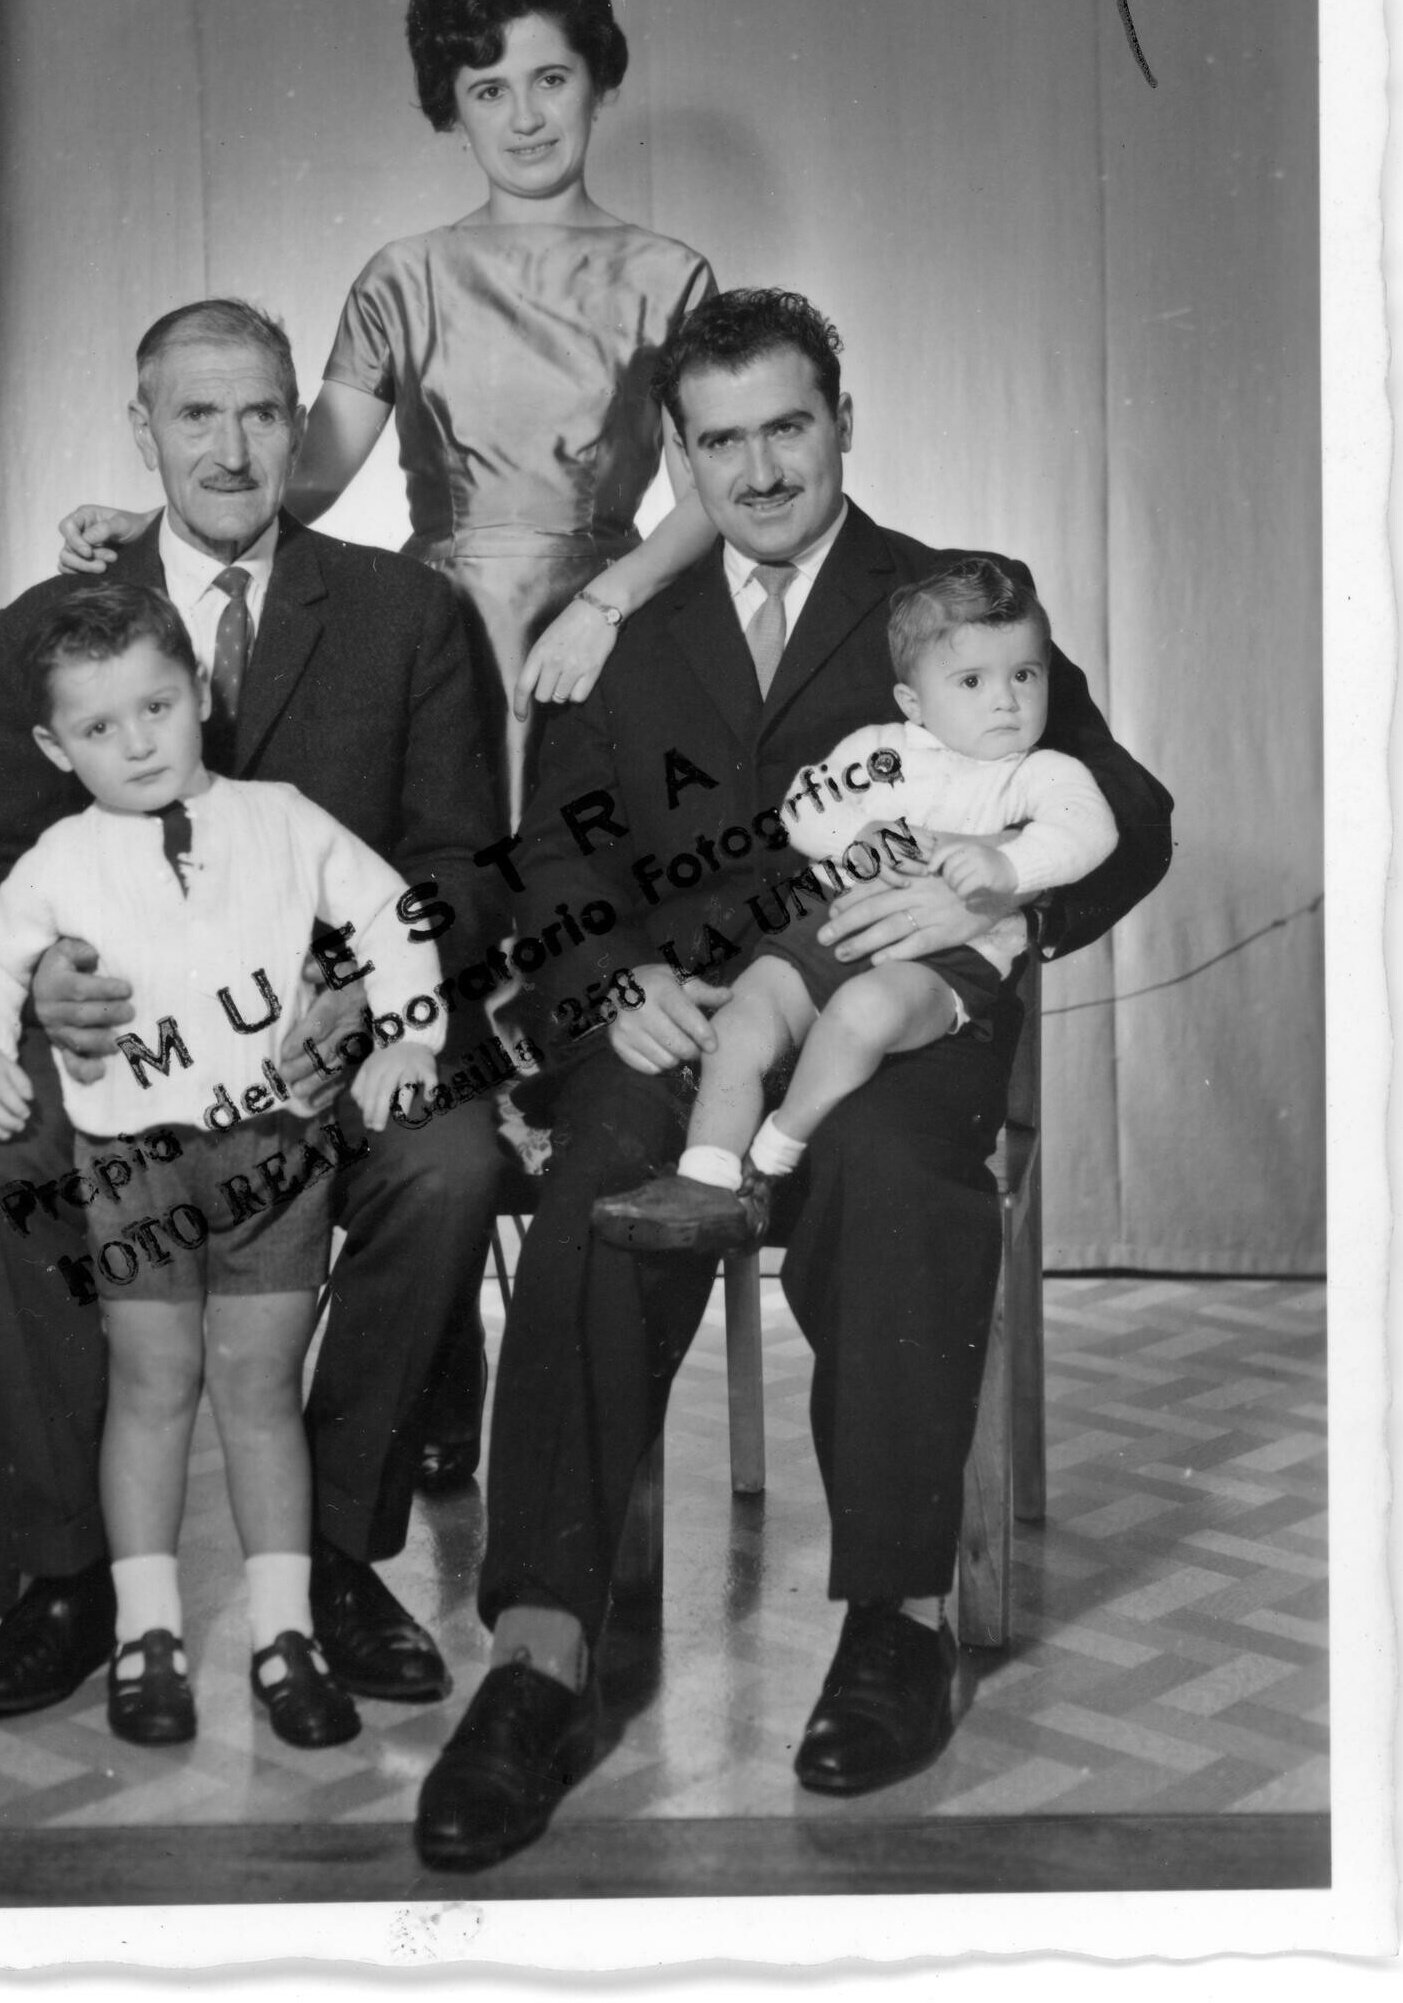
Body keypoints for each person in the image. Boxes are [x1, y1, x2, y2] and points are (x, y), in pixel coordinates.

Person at [411, 288, 1173, 1872]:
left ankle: (893, 1618)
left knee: (891, 1178)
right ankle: (542, 1652)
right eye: (721, 440)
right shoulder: (622, 631)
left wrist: (991, 894)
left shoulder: (948, 604)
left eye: (787, 427)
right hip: (688, 1028)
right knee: (598, 1204)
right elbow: (555, 854)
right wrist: (612, 984)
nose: (758, 468)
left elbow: (1126, 812)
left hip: (900, 1018)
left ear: (842, 421)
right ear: (679, 458)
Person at [55, 0, 725, 1484]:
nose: (525, 112)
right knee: (428, 920)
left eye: (552, 77)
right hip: (441, 633)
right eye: (488, 84)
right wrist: (139, 509)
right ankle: (438, 1346)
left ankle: (535, 1316)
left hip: (599, 639)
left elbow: (707, 494)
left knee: (558, 932)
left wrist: (611, 605)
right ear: (450, 100)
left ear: (598, 83)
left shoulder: (666, 274)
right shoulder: (404, 278)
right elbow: (296, 473)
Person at [0, 297, 509, 1729]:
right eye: (198, 415)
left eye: (263, 413)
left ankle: (342, 1558)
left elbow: (463, 873)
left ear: (299, 426)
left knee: (444, 1166)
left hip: (323, 1039)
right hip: (123, 1049)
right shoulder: (43, 628)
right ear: (145, 431)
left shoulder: (406, 612)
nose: (235, 449)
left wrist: (366, 995)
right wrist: (47, 989)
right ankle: (67, 1575)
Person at [594, 557, 1118, 1250]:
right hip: (827, 934)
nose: (1006, 701)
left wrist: (1006, 864)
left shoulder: (1038, 772)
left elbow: (1091, 830)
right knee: (745, 1016)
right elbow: (802, 812)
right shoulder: (879, 750)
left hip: (939, 962)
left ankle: (772, 1154)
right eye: (971, 681)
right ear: (912, 701)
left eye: (1025, 675)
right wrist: (858, 832)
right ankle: (707, 1179)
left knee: (860, 1013)